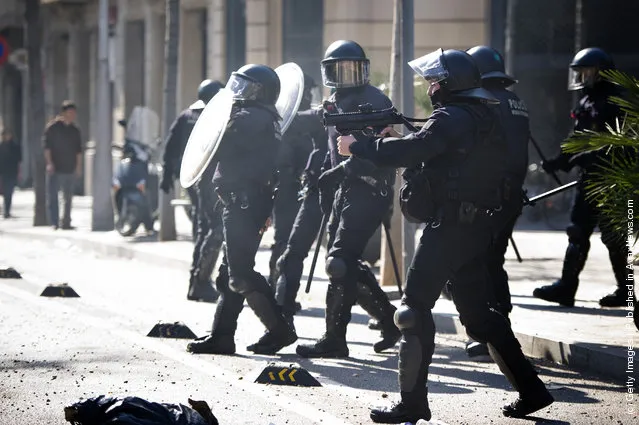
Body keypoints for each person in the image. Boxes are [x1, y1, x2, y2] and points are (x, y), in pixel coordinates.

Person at [338, 48, 553, 423]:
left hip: (452, 226)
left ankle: (412, 403)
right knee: (477, 314)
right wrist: (396, 137)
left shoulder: (454, 115)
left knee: (412, 309)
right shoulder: (476, 113)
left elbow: (420, 148)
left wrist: (361, 146)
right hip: (471, 228)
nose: (432, 86)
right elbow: (437, 148)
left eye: (436, 80)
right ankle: (532, 390)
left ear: (451, 83)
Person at [295, 40, 401, 359]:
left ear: (363, 69)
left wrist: (340, 171)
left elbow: (377, 151)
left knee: (339, 262)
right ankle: (387, 319)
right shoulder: (334, 101)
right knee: (343, 263)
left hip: (369, 188)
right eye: (337, 69)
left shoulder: (375, 101)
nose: (344, 75)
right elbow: (331, 147)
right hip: (343, 191)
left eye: (350, 68)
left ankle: (334, 340)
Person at [187, 64, 297, 355]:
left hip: (243, 202)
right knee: (229, 273)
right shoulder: (265, 117)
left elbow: (221, 143)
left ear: (261, 92)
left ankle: (280, 329)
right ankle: (222, 336)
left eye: (246, 87)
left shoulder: (251, 116)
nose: (237, 92)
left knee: (239, 275)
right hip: (247, 200)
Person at [533, 47, 634, 308]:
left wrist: (577, 159)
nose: (581, 78)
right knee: (577, 232)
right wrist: (557, 163)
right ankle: (567, 288)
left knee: (613, 237)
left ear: (601, 73)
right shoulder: (586, 102)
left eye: (586, 72)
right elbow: (577, 141)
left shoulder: (615, 101)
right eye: (579, 72)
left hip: (611, 180)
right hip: (589, 179)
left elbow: (620, 143)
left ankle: (626, 291)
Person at [462, 45, 530, 360]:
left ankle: (492, 331)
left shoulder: (487, 101)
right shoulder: (516, 101)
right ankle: (496, 327)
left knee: (480, 262)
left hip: (491, 195)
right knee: (492, 260)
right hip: (512, 193)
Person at [161, 79, 224, 302]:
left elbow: (169, 145)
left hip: (194, 179)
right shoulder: (214, 116)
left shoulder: (187, 115)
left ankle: (196, 282)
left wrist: (167, 173)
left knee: (202, 226)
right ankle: (200, 281)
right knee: (213, 228)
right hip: (209, 181)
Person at [268, 74, 317, 288]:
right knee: (285, 238)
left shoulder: (305, 119)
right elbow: (283, 159)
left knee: (293, 240)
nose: (309, 96)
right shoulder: (289, 120)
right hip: (288, 188)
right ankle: (276, 285)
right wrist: (294, 179)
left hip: (301, 187)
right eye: (307, 92)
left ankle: (282, 288)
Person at [43, 100, 83, 230]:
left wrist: (78, 167)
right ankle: (54, 222)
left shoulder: (75, 130)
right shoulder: (52, 128)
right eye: (70, 112)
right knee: (53, 196)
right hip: (55, 167)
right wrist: (49, 163)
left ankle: (66, 222)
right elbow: (47, 147)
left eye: (74, 113)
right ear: (64, 113)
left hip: (69, 167)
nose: (72, 115)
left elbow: (78, 150)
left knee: (68, 197)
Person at [112, 142, 155, 235]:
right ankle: (149, 226)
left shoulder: (141, 158)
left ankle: (149, 226)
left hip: (137, 187)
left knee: (146, 203)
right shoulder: (123, 163)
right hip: (126, 188)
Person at [0, 129, 22, 218]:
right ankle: (6, 210)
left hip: (12, 171)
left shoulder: (15, 147)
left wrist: (19, 172)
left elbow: (19, 161)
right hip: (2, 172)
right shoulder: (1, 147)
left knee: (9, 192)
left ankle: (7, 211)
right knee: (5, 192)